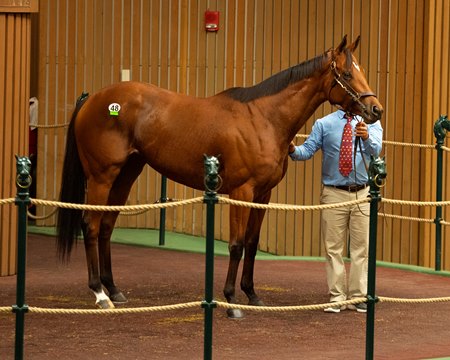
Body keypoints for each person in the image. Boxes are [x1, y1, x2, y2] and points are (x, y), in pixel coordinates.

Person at [288, 109, 383, 313]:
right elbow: (306, 151)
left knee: (361, 247)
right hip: (333, 192)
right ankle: (337, 297)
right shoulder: (324, 123)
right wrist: (291, 149)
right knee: (333, 248)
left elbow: (376, 150)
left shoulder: (371, 122)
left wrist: (366, 137)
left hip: (362, 192)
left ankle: (358, 296)